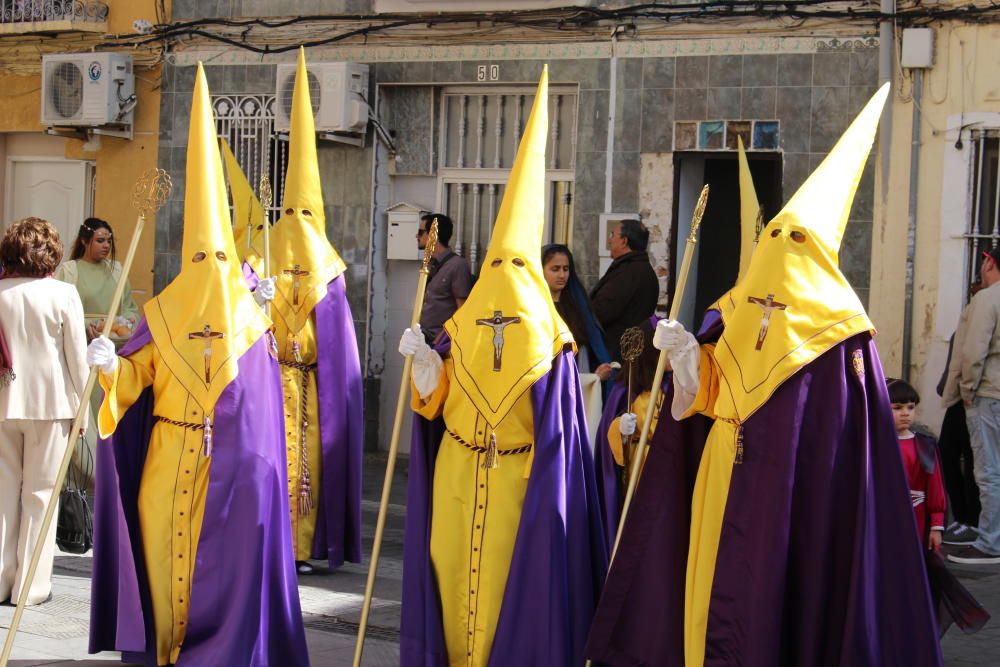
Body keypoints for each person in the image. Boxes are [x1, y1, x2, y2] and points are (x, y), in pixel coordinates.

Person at [621, 86, 943, 666]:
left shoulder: (845, 333)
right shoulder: (733, 309)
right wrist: (689, 357)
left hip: (795, 493)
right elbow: (704, 399)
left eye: (795, 239)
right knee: (712, 602)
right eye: (776, 237)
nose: (780, 249)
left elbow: (846, 437)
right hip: (722, 476)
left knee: (776, 607)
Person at [85, 64, 309, 667]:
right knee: (160, 556)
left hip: (226, 473)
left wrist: (261, 480)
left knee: (221, 571)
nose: (209, 265)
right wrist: (110, 367)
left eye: (218, 255)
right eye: (199, 254)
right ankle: (161, 650)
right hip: (167, 459)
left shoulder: (252, 322)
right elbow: (138, 379)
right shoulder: (161, 314)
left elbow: (264, 415)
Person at [397, 67, 607, 667]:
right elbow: (433, 408)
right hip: (459, 474)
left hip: (520, 483)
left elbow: (562, 439)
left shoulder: (553, 342)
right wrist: (424, 371)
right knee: (451, 572)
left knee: (510, 588)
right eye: (500, 264)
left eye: (520, 266)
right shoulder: (459, 332)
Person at [267, 49, 363, 576]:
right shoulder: (264, 261)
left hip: (308, 386)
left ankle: (302, 546)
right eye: (292, 213)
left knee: (309, 467)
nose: (298, 224)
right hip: (278, 379)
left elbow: (340, 347)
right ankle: (275, 539)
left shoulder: (328, 271)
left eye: (306, 213)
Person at [0, 217, 88, 606]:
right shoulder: (64, 294)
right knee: (40, 496)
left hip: (3, 402)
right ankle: (30, 588)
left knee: (2, 496)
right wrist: (83, 412)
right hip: (51, 404)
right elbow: (77, 360)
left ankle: (1, 580)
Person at [951, 244, 1000, 565]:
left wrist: (967, 390)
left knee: (989, 472)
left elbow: (973, 352)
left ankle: (990, 542)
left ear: (989, 262)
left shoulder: (988, 298)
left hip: (989, 395)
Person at [938, 290, 982, 546]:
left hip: (971, 396)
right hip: (958, 398)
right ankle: (962, 517)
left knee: (973, 460)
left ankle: (971, 521)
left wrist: (967, 389)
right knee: (948, 454)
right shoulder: (964, 326)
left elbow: (973, 359)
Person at [55, 217, 139, 341]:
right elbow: (58, 310)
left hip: (114, 340)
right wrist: (84, 325)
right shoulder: (69, 271)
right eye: (100, 241)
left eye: (109, 241)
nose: (106, 245)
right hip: (79, 339)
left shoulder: (117, 271)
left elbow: (129, 306)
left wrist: (128, 319)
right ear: (84, 241)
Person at [888, 379, 946, 551]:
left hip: (917, 519)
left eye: (910, 407)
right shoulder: (875, 446)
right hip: (884, 517)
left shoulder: (925, 446)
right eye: (897, 408)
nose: (905, 413)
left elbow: (935, 487)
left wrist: (936, 526)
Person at [589, 219, 658, 361]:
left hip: (616, 356)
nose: (610, 241)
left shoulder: (628, 273)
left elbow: (602, 310)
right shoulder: (642, 270)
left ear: (624, 241)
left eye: (612, 235)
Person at [541, 243, 612, 380]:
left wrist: (597, 372)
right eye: (555, 269)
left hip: (577, 376)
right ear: (541, 270)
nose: (562, 275)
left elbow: (589, 343)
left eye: (566, 269)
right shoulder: (534, 307)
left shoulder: (578, 306)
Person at [417, 212, 472, 344]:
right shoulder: (429, 264)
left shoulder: (457, 265)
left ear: (432, 235)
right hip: (422, 338)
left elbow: (462, 310)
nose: (417, 236)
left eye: (420, 232)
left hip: (441, 344)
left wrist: (440, 340)